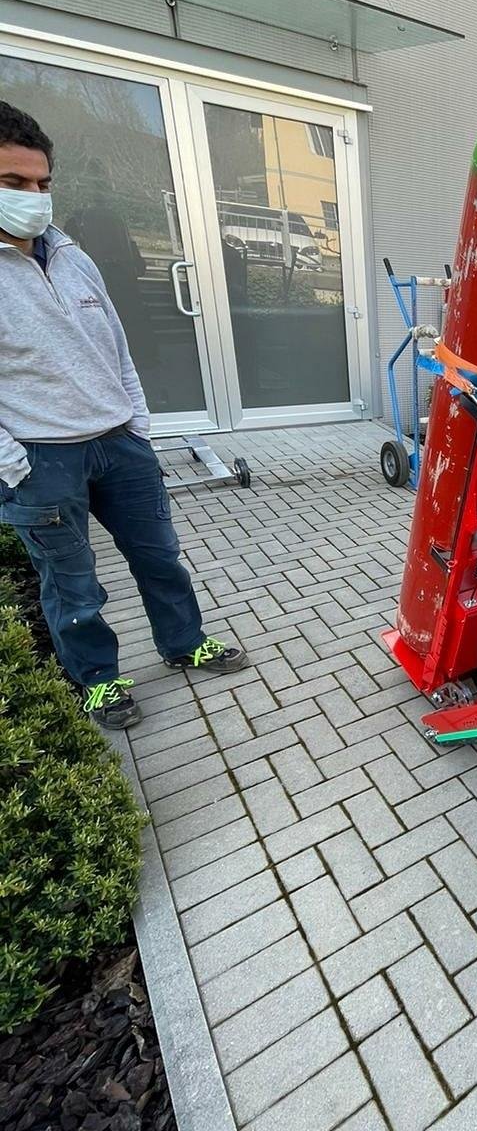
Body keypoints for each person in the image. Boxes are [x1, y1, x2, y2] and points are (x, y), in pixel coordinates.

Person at [0, 101, 247, 731]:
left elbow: (116, 345)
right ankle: (99, 682)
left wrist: (137, 424)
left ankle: (183, 642)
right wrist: (12, 465)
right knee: (74, 586)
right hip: (42, 458)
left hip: (120, 445)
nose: (34, 196)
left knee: (161, 556)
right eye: (13, 183)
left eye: (42, 183)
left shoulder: (73, 255)